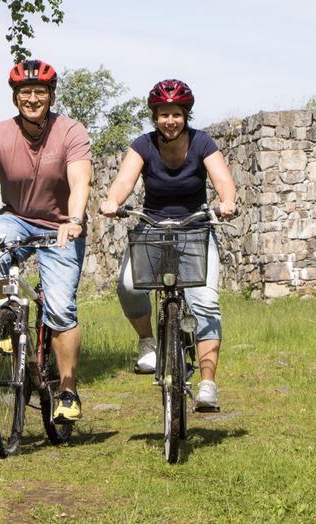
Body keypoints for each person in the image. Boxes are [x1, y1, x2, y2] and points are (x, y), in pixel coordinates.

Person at [0, 59, 93, 422]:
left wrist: (73, 220)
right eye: (25, 92)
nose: (33, 98)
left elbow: (80, 181)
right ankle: (7, 313)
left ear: (51, 95)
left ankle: (68, 389)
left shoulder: (70, 131)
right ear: (15, 98)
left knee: (59, 308)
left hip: (59, 225)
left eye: (40, 91)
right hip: (17, 218)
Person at [99, 79, 236, 411]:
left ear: (185, 115)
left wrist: (227, 201)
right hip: (153, 227)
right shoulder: (143, 145)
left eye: (176, 114)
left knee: (204, 301)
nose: (170, 121)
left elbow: (222, 180)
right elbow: (124, 180)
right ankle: (148, 342)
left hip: (195, 228)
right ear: (154, 117)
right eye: (163, 115)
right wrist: (113, 201)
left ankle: (207, 384)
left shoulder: (202, 142)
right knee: (129, 286)